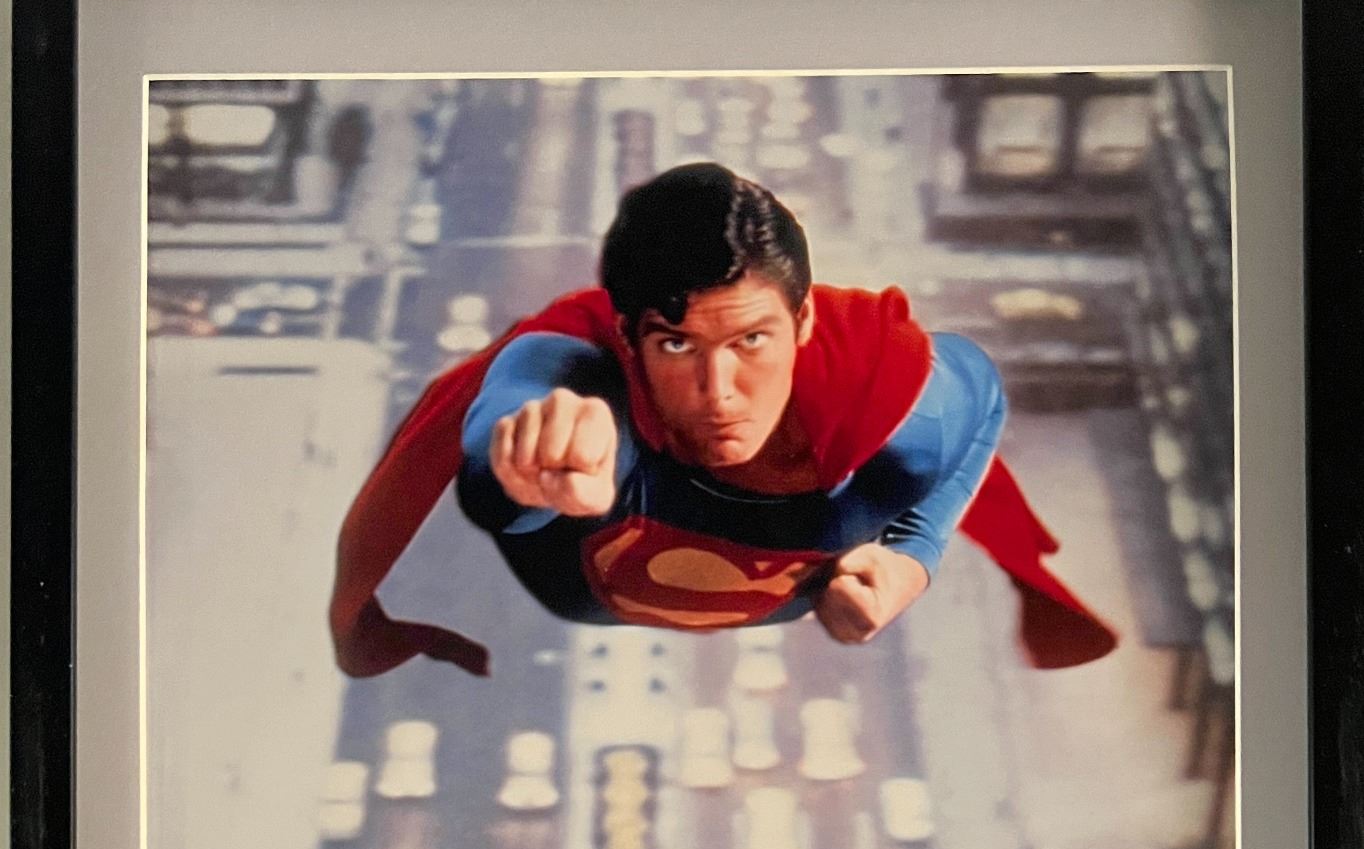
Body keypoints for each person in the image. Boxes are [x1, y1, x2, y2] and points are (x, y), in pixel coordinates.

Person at [329, 162, 1116, 678]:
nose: (718, 392)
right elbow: (511, 420)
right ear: (629, 336)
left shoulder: (898, 412)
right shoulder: (578, 373)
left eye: (751, 342)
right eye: (677, 344)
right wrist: (530, 454)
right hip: (582, 584)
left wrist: (915, 554)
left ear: (803, 323)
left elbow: (979, 398)